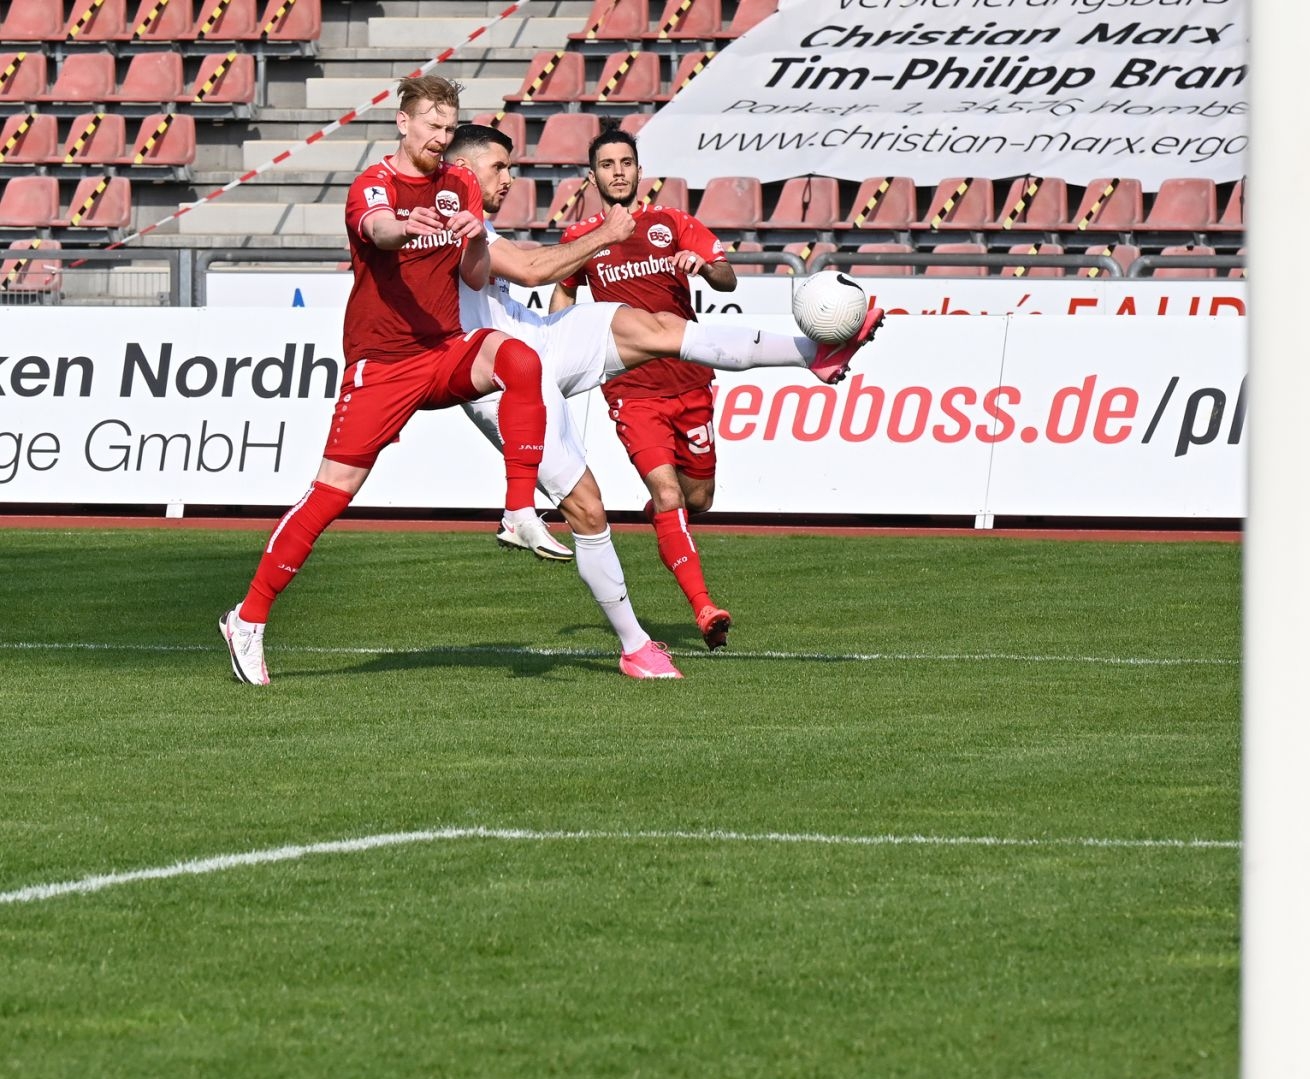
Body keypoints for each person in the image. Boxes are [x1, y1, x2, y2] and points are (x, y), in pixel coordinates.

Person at [457, 123, 884, 651]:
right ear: (593, 176)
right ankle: (665, 628)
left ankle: (811, 358)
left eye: (626, 163)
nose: (618, 173)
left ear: (640, 170)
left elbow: (726, 277)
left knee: (690, 471)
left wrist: (700, 267)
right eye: (607, 165)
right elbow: (542, 281)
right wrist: (597, 254)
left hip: (639, 368)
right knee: (626, 501)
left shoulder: (668, 222)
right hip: (571, 384)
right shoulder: (534, 232)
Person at [217, 75, 558, 686]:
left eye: (448, 127)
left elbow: (474, 276)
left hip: (443, 350)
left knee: (521, 360)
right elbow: (378, 229)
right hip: (380, 365)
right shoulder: (372, 184)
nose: (441, 137)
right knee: (330, 496)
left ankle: (518, 510)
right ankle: (248, 617)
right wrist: (407, 224)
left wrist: (475, 241)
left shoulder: (461, 184)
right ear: (403, 123)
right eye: (431, 125)